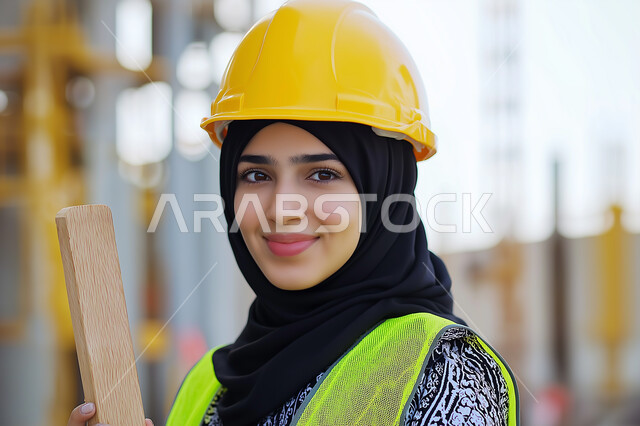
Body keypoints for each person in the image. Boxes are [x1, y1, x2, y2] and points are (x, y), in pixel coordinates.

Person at [69, 0, 519, 425]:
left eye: (322, 175)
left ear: (385, 191)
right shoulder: (207, 383)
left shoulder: (449, 372)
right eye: (257, 176)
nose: (282, 210)